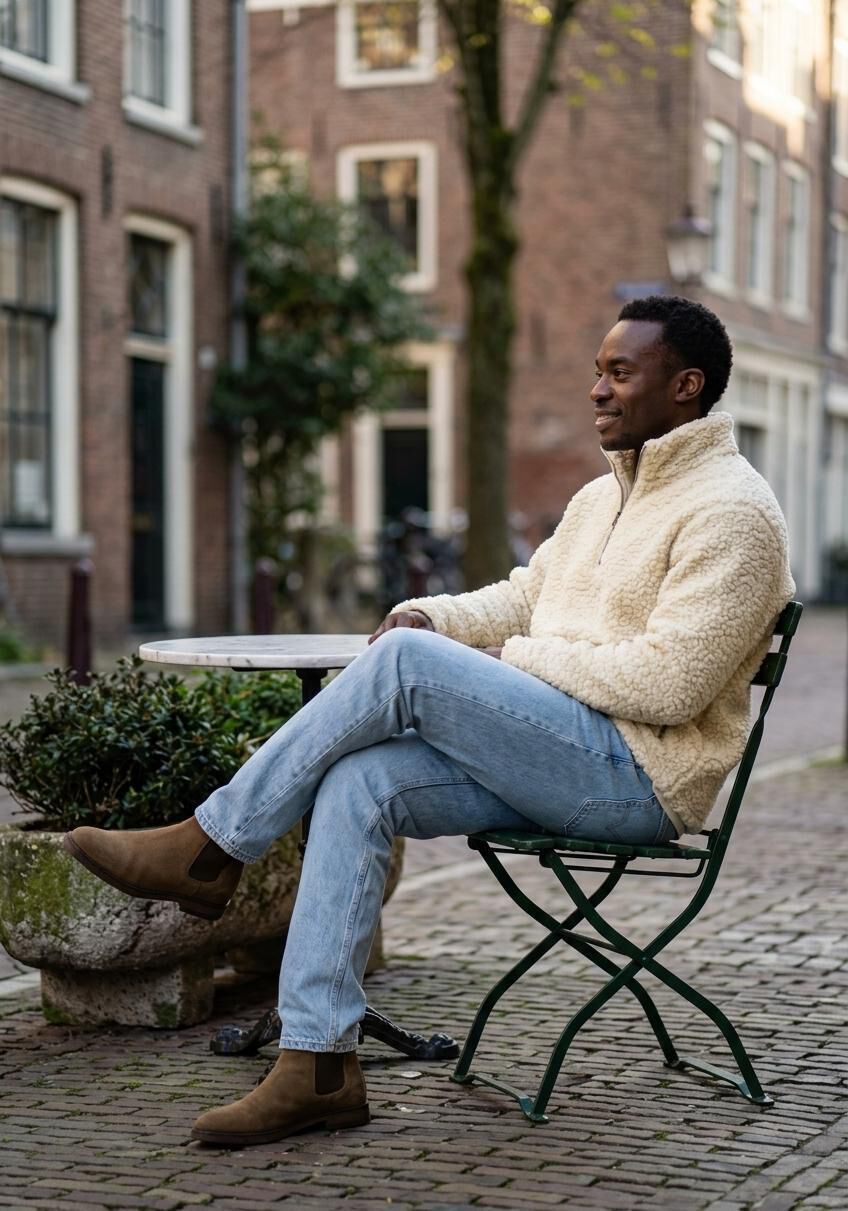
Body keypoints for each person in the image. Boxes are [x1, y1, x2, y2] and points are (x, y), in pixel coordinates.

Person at [64, 296, 795, 1148]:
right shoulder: (603, 497)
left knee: (407, 667)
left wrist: (509, 658)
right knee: (359, 779)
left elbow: (670, 684)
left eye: (620, 373)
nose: (597, 388)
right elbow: (525, 595)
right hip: (561, 752)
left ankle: (211, 845)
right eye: (598, 370)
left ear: (686, 385)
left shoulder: (734, 512)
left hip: (639, 777)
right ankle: (318, 1062)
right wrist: (435, 616)